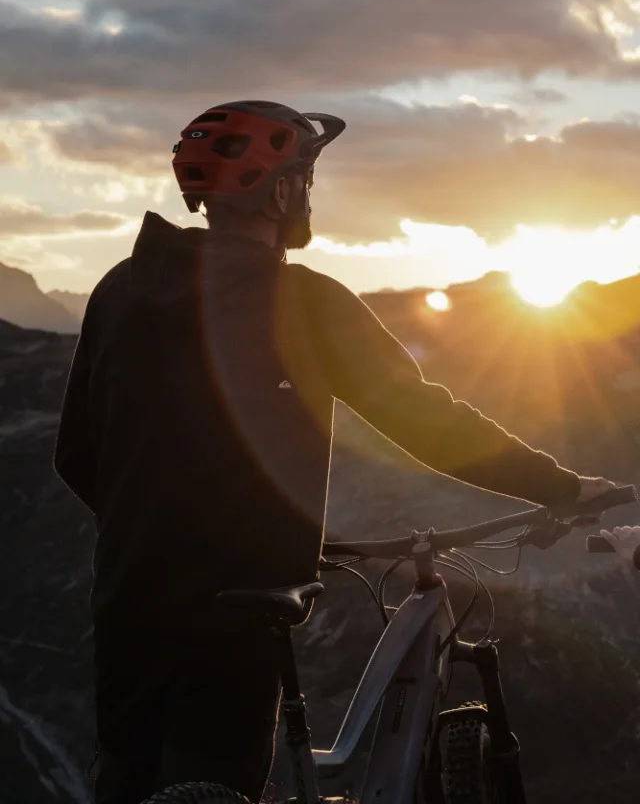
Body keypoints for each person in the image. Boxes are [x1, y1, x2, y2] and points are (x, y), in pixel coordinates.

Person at [54, 100, 616, 804]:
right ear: (282, 190)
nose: (308, 196)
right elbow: (427, 421)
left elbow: (76, 453)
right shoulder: (307, 304)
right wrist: (559, 486)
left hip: (129, 601)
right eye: (305, 180)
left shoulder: (117, 291)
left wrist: (154, 531)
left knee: (128, 781)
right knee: (223, 780)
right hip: (236, 617)